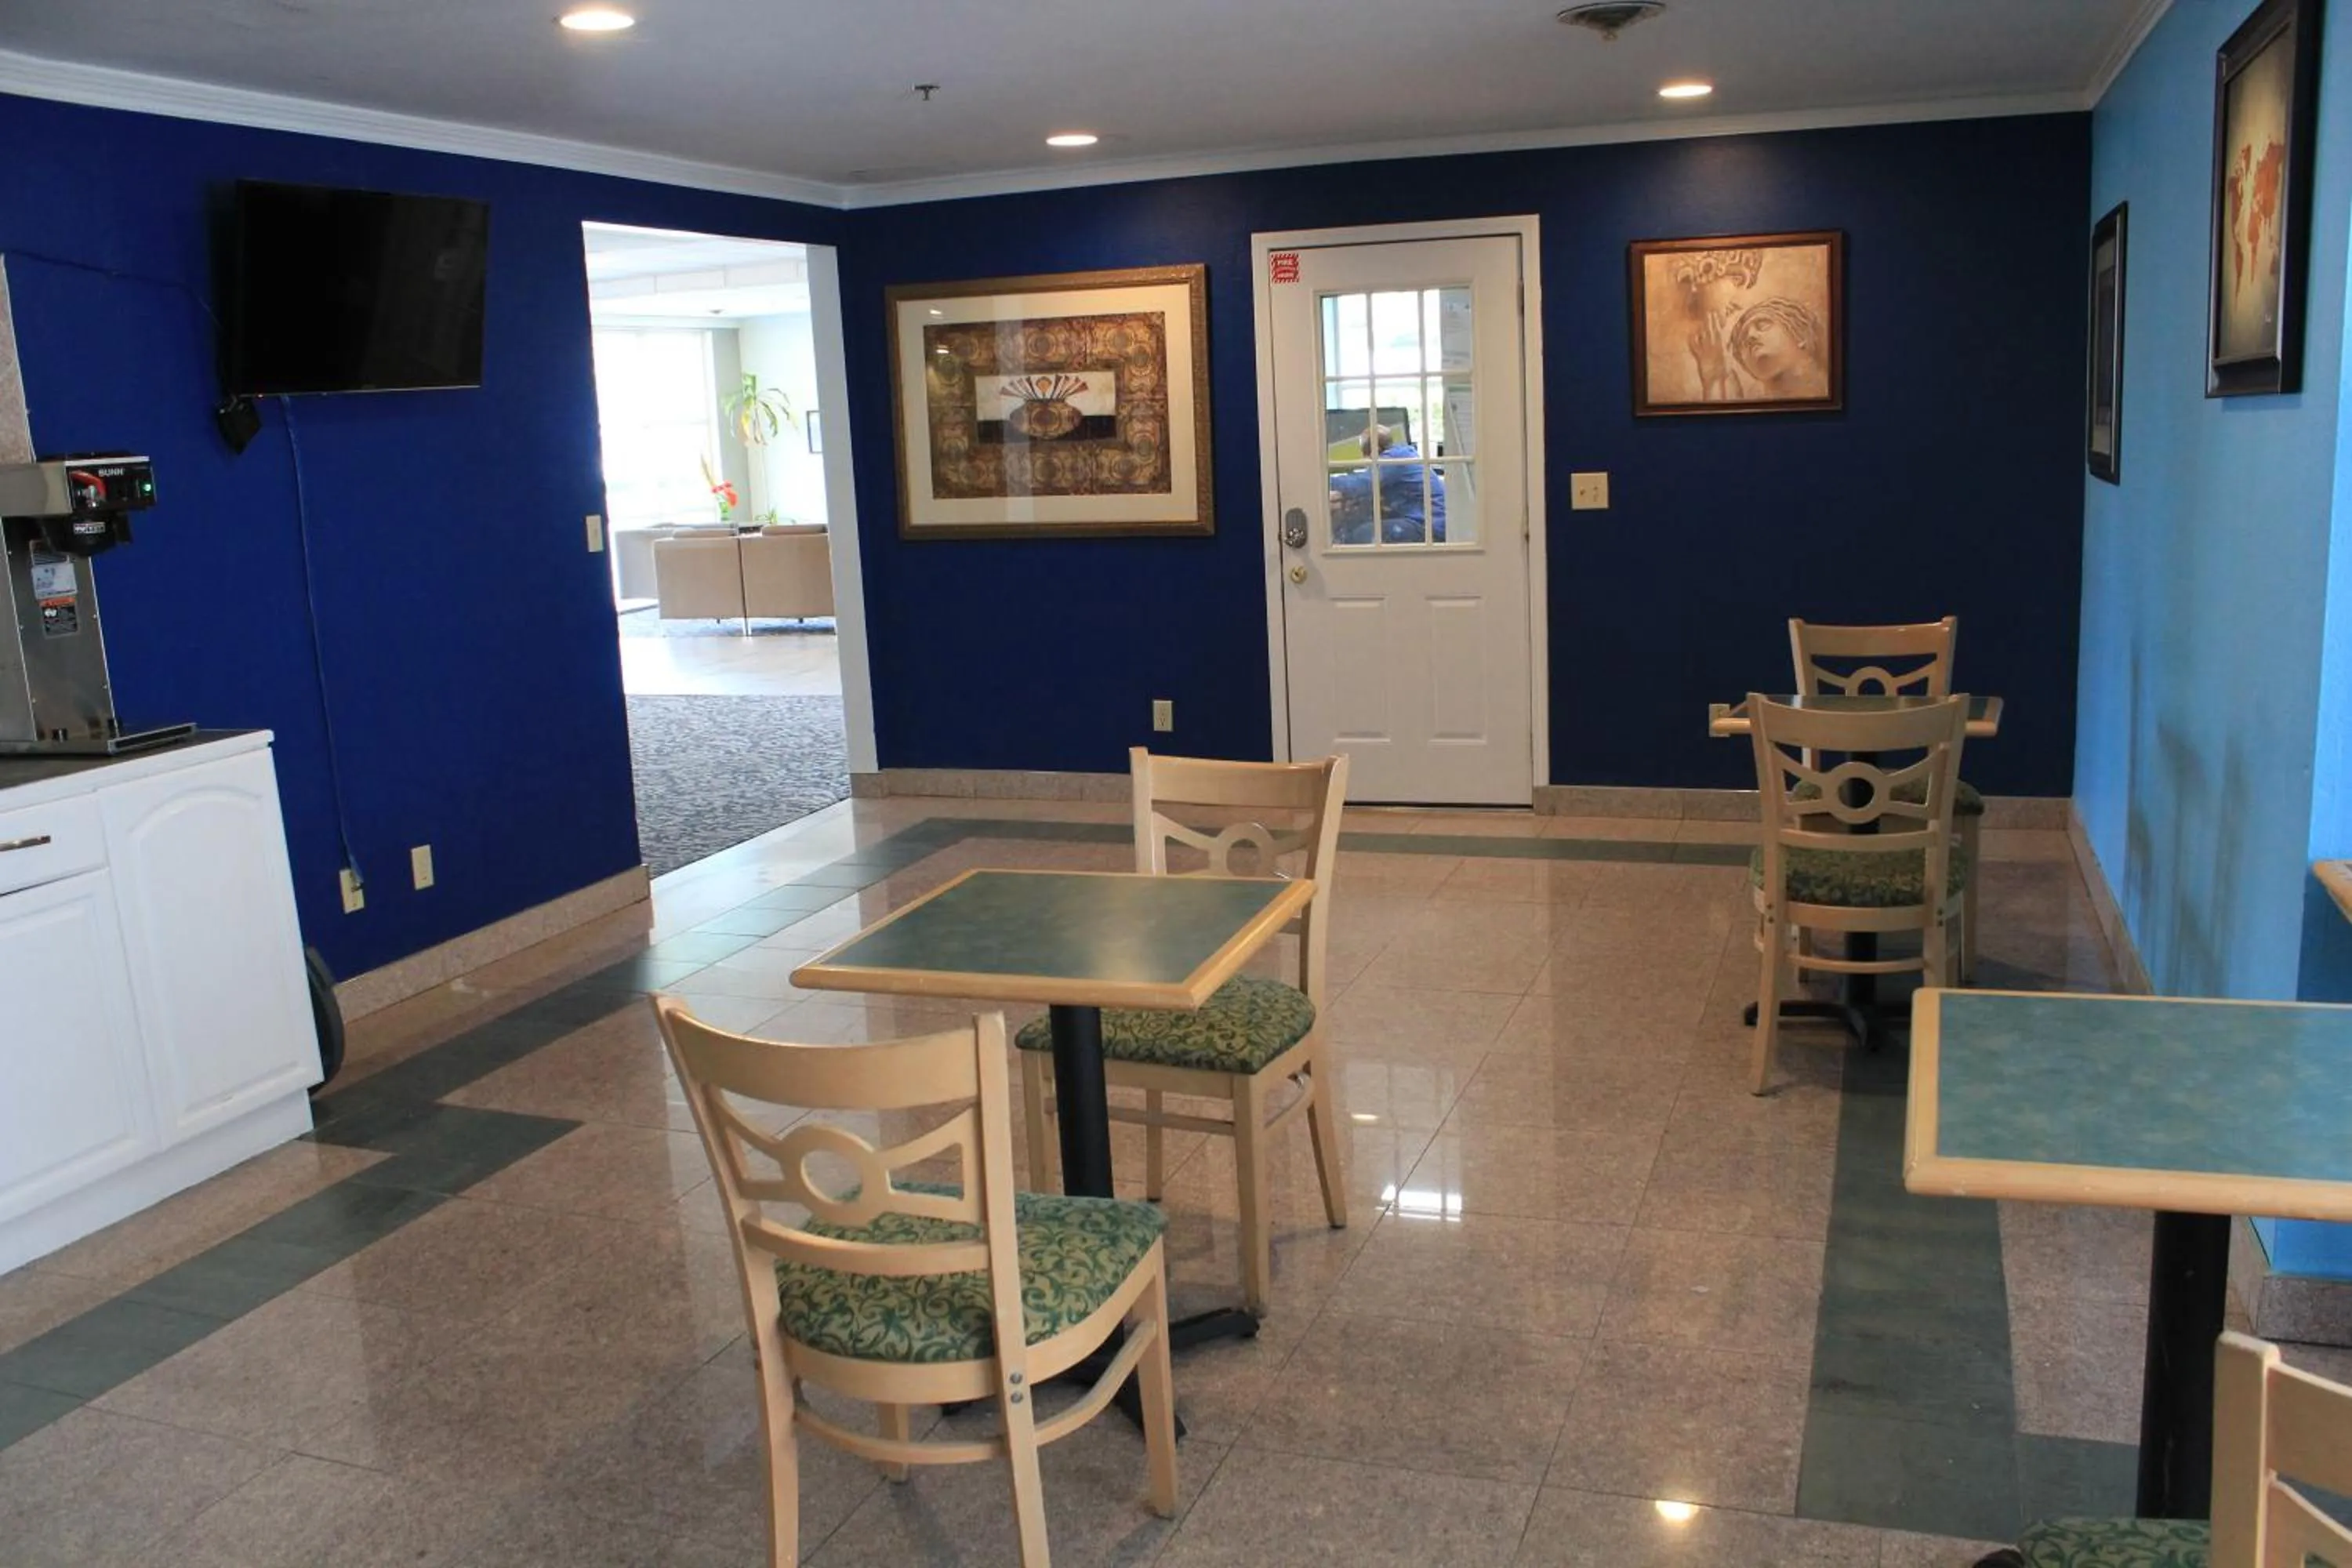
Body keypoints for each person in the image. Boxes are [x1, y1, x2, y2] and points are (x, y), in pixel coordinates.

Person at [1327, 425, 1446, 545]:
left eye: (1365, 452)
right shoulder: (1402, 454)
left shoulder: (1393, 460)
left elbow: (1362, 484)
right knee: (1361, 519)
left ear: (1376, 450)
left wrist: (1324, 481)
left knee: (1363, 533)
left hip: (1428, 525)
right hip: (1429, 520)